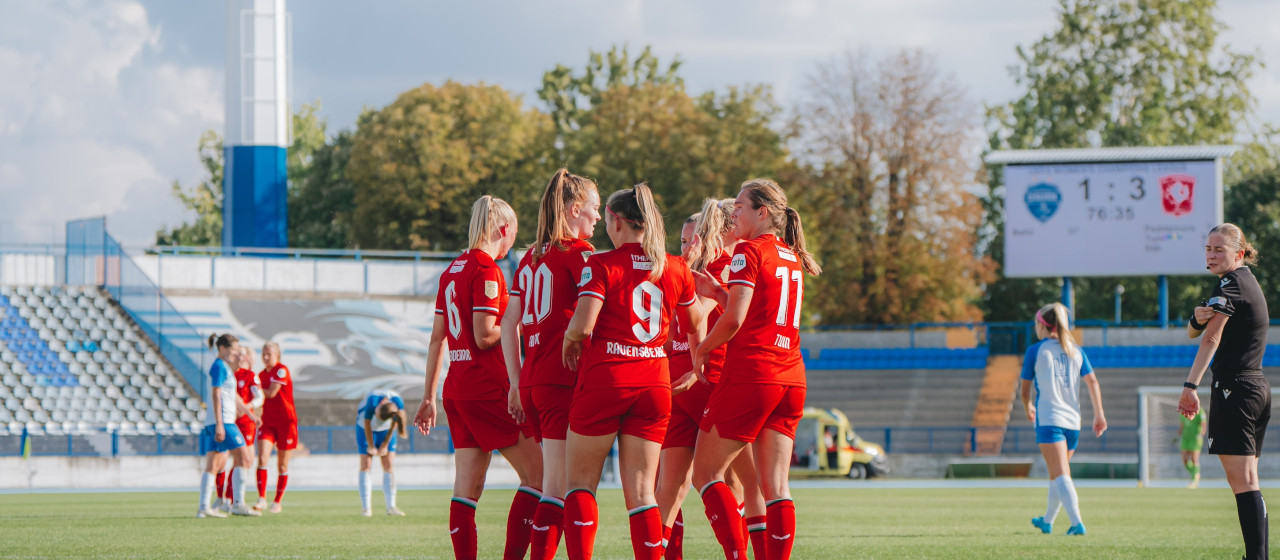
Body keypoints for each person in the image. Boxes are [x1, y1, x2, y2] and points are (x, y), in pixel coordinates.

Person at [560, 183, 704, 560]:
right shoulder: (674, 266)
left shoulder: (602, 264)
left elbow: (582, 326)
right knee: (642, 493)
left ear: (617, 220)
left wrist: (569, 342)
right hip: (654, 381)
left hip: (608, 378)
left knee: (578, 484)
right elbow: (694, 323)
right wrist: (697, 363)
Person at [689, 178, 820, 560]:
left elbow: (734, 320)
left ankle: (736, 555)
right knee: (775, 486)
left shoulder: (748, 250)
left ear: (762, 212)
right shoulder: (791, 254)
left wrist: (703, 350)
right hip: (791, 376)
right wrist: (718, 292)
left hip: (752, 374)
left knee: (705, 474)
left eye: (741, 206)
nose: (734, 213)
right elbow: (759, 308)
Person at [414, 195, 543, 560]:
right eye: (512, 236)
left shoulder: (451, 270)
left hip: (458, 389)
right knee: (542, 478)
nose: (510, 245)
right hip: (488, 389)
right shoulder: (487, 270)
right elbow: (486, 334)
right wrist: (516, 324)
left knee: (467, 489)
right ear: (503, 230)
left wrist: (429, 397)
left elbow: (438, 339)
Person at [501, 169, 600, 560]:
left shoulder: (530, 257)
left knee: (546, 483)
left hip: (532, 380)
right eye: (593, 208)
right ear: (575, 209)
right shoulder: (579, 255)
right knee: (559, 487)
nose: (597, 217)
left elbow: (510, 322)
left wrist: (514, 381)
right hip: (561, 380)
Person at [656, 199, 763, 560]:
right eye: (684, 240)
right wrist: (697, 356)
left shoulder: (682, 270)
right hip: (708, 380)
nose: (686, 246)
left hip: (679, 381)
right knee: (746, 482)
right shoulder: (728, 265)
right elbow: (698, 321)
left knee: (669, 490)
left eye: (691, 238)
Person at [1181, 223, 1270, 560]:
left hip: (1236, 389)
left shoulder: (1230, 284)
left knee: (1244, 484)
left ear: (1240, 252)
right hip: (1255, 387)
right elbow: (1194, 329)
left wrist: (1190, 386)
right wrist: (1196, 317)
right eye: (1208, 248)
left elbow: (1209, 339)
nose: (1212, 254)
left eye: (1219, 249)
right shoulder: (1241, 283)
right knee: (1249, 481)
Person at [1021, 302, 1106, 536]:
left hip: (1050, 420)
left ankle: (1077, 523)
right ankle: (1047, 520)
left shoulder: (1036, 351)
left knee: (1061, 474)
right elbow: (1093, 382)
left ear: (1041, 325)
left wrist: (1027, 405)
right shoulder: (1075, 350)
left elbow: (1024, 389)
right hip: (1073, 423)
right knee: (1056, 473)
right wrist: (1099, 413)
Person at [196, 333, 260, 518]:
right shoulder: (219, 366)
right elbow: (216, 395)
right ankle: (238, 503)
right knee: (244, 459)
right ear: (222, 348)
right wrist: (220, 424)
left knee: (212, 465)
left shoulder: (223, 367)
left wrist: (249, 414)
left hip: (216, 421)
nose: (234, 353)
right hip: (223, 421)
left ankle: (203, 507)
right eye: (232, 349)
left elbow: (233, 396)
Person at [216, 346, 263, 511]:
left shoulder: (250, 376)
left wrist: (246, 409)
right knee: (221, 461)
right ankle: (221, 498)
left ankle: (232, 499)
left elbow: (259, 398)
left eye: (244, 354)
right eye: (239, 354)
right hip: (229, 421)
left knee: (244, 461)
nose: (241, 357)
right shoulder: (228, 374)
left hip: (245, 424)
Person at [255, 342, 297, 513]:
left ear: (277, 355)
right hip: (268, 423)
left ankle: (277, 501)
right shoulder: (259, 375)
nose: (265, 357)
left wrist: (255, 390)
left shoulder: (281, 370)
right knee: (262, 458)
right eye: (263, 354)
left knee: (282, 465)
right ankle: (261, 498)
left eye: (268, 354)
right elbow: (259, 401)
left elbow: (271, 393)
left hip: (286, 423)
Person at [357, 389, 409, 516]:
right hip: (365, 429)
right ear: (378, 408)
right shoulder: (372, 401)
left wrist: (385, 444)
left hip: (385, 431)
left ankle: (391, 507)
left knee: (388, 464)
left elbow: (395, 424)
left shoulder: (397, 403)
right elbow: (367, 424)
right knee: (366, 464)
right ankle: (366, 509)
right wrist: (371, 446)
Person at [1178, 407, 1207, 489]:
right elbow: (1182, 426)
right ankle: (1196, 474)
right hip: (1185, 439)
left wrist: (1200, 435)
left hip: (1195, 439)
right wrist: (1178, 435)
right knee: (1185, 460)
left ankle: (1194, 481)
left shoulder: (1200, 411)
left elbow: (1204, 425)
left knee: (1194, 459)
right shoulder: (1182, 413)